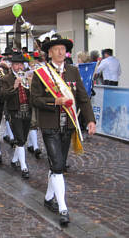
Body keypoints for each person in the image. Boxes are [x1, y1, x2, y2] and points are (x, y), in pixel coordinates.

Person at [31, 35, 96, 226]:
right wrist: (54, 101)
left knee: (57, 164)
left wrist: (90, 120)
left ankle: (48, 198)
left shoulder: (73, 71)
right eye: (56, 49)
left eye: (63, 49)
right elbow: (35, 99)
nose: (61, 52)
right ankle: (63, 208)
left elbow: (83, 98)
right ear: (49, 52)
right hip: (50, 125)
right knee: (58, 166)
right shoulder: (41, 73)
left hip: (68, 124)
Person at [1, 52, 32, 179]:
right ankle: (24, 166)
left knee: (23, 138)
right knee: (19, 138)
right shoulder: (6, 79)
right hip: (14, 111)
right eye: (16, 64)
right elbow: (3, 96)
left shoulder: (27, 76)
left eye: (21, 64)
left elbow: (33, 94)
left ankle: (14, 160)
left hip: (27, 109)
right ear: (12, 66)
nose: (19, 67)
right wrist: (14, 87)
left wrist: (30, 84)